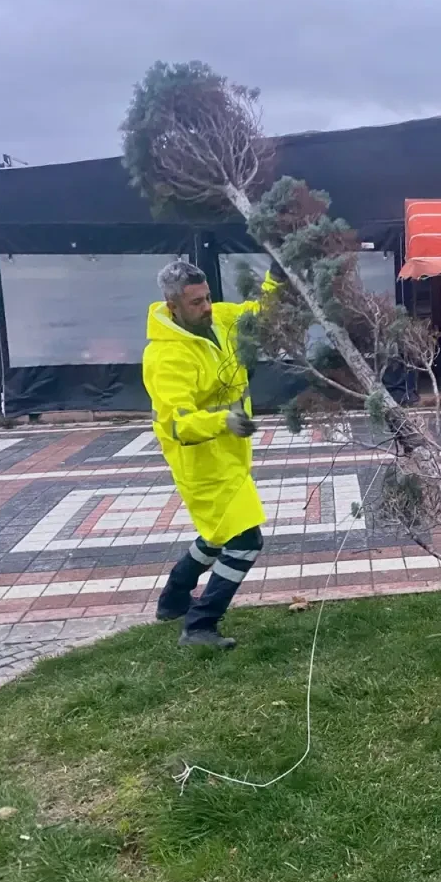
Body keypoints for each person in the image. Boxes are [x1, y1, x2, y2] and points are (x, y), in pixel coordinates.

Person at [143, 259, 284, 649]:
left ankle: (173, 600)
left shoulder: (218, 320)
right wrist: (224, 421)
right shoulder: (166, 357)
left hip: (230, 452)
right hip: (200, 461)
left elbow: (258, 314)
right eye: (195, 303)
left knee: (216, 533)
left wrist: (278, 275)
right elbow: (179, 423)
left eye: (207, 298)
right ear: (173, 306)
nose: (206, 307)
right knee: (245, 539)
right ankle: (200, 625)